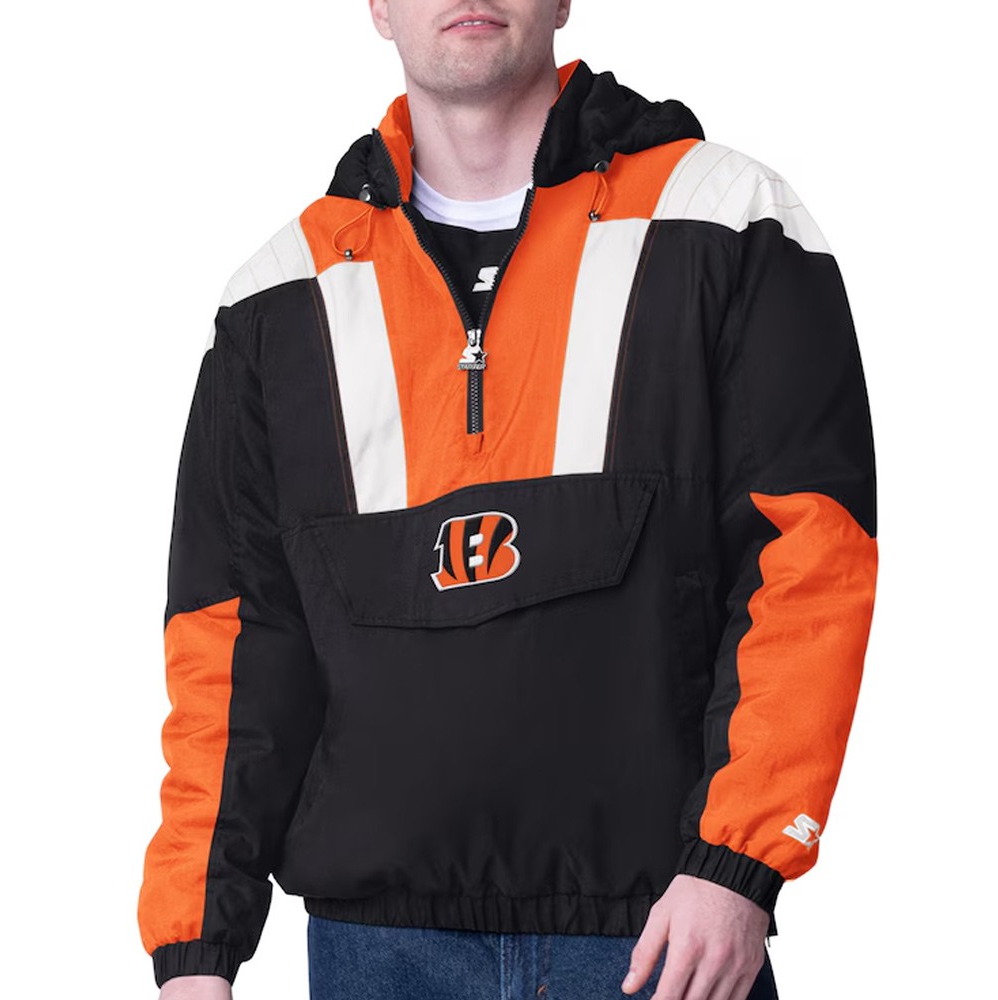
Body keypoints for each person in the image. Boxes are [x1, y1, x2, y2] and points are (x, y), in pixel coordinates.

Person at [136, 1, 878, 998]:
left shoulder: (723, 220)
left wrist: (739, 863)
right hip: (374, 955)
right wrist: (195, 952)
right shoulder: (278, 298)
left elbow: (809, 561)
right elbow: (230, 645)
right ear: (377, 7)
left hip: (661, 936)